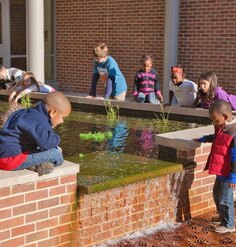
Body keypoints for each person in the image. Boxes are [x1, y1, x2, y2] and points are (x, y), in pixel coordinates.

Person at [0, 91, 71, 176]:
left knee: (43, 148)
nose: (62, 121)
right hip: (11, 160)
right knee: (57, 153)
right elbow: (47, 144)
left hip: (5, 156)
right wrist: (57, 138)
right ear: (53, 112)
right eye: (62, 118)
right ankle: (36, 165)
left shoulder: (28, 113)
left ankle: (34, 166)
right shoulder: (39, 121)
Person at [194, 100, 236, 233]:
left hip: (229, 172)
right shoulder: (221, 127)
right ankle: (222, 215)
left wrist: (233, 177)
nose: (213, 122)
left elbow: (235, 157)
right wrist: (204, 139)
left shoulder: (233, 132)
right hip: (221, 169)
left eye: (215, 119)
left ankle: (229, 224)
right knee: (216, 193)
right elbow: (216, 138)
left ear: (224, 116)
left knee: (226, 198)